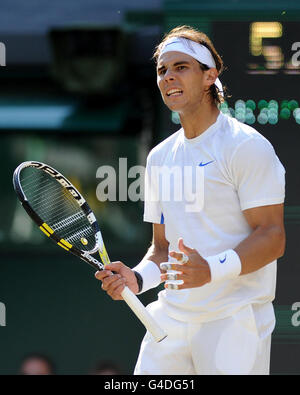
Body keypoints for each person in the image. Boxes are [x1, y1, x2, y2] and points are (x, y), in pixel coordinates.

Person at [95, 25, 286, 375]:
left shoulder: (246, 146)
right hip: (172, 320)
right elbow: (162, 249)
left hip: (234, 321)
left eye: (180, 67)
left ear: (209, 76)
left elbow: (272, 237)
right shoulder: (159, 157)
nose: (168, 77)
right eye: (161, 70)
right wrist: (137, 278)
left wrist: (212, 269)